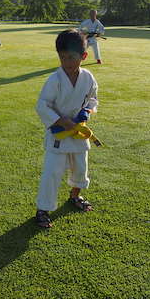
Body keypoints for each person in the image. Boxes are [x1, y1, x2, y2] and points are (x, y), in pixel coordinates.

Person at [34, 30, 99, 228]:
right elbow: (42, 105)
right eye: (62, 57)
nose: (66, 62)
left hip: (78, 133)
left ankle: (75, 196)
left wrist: (87, 111)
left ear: (83, 56)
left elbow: (93, 98)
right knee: (52, 172)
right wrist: (61, 120)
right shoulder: (55, 79)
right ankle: (43, 209)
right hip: (59, 134)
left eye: (71, 57)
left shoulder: (88, 78)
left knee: (81, 167)